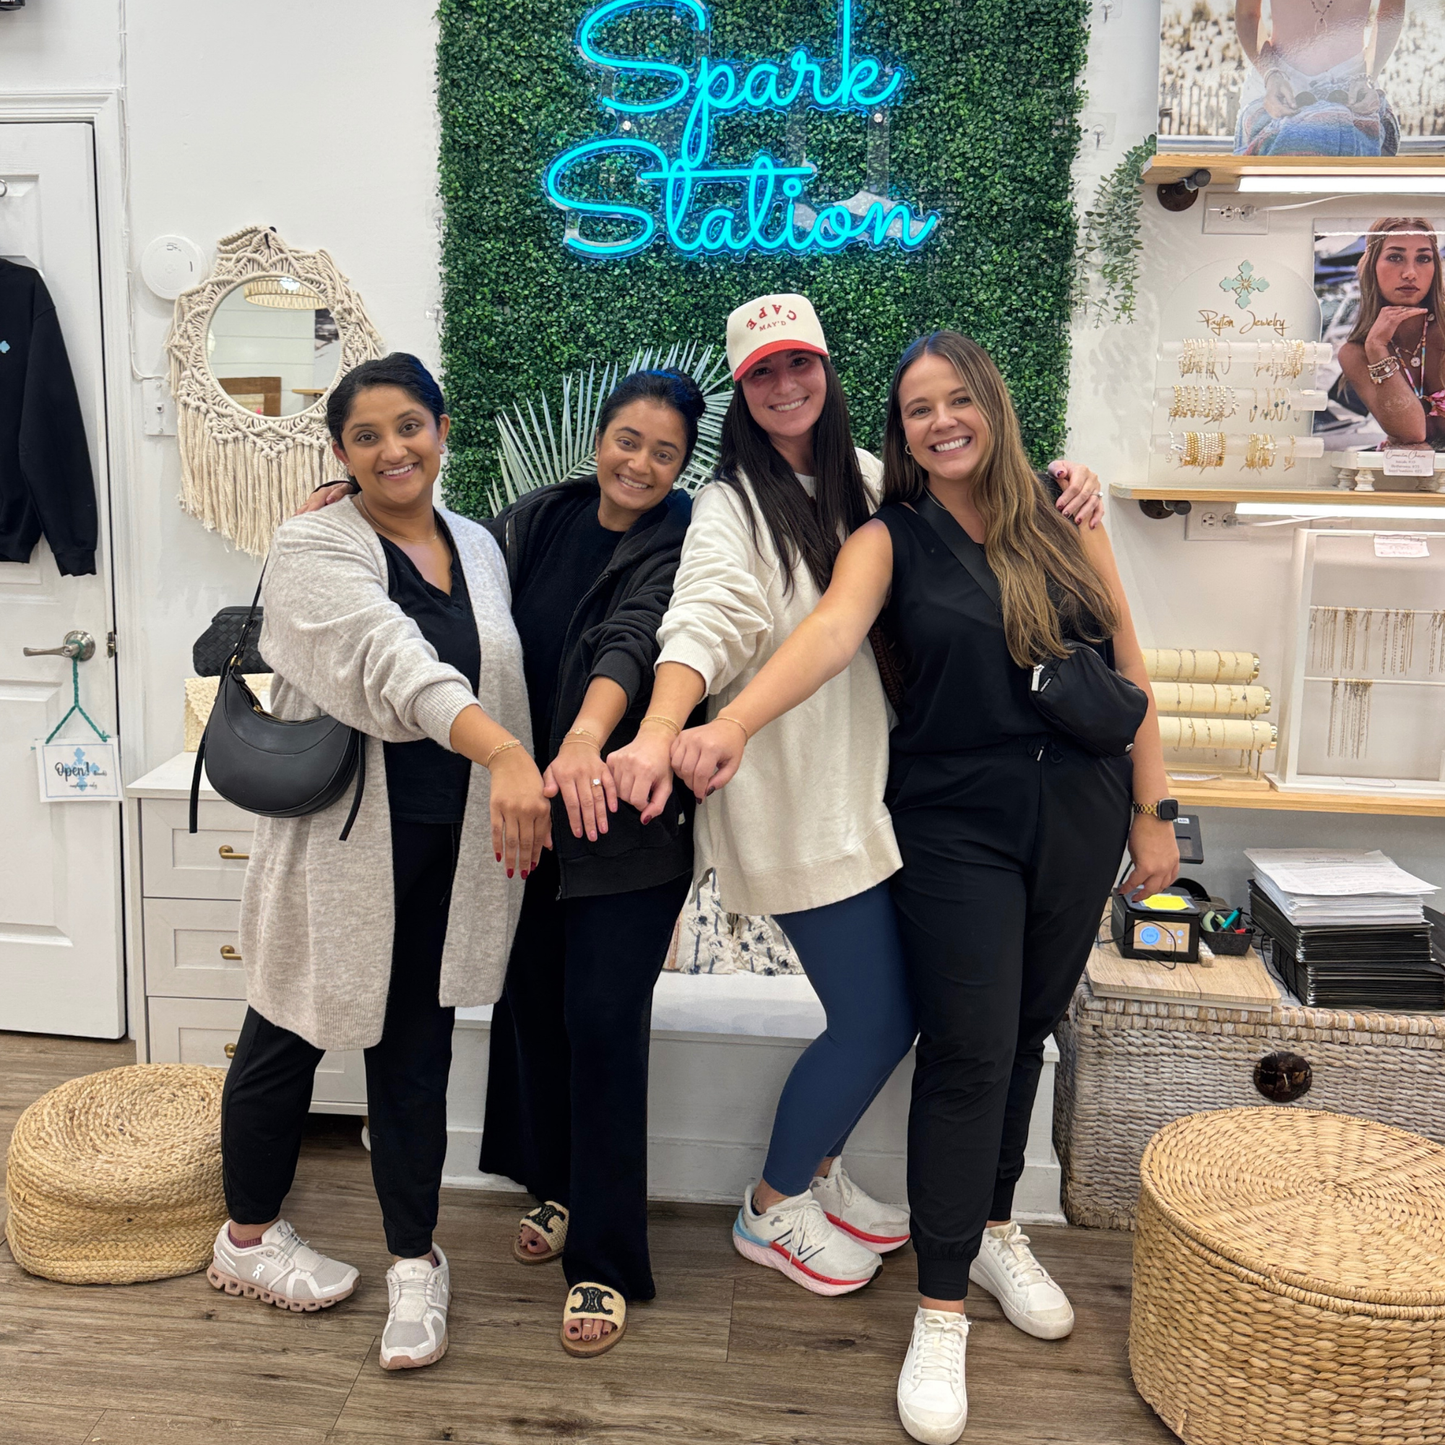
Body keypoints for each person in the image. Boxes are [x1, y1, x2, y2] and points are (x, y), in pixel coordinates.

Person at [669, 330, 1176, 1444]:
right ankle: (938, 1307)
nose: (939, 421)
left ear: (990, 404)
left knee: (1030, 1030)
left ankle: (992, 1226)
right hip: (955, 825)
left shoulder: (1061, 512)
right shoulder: (885, 534)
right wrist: (731, 724)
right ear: (896, 433)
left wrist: (1152, 813)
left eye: (956, 400)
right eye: (916, 410)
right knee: (965, 1047)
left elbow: (1128, 666)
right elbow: (826, 633)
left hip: (1080, 814)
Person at [609, 296, 1105, 1305]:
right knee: (878, 1017)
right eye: (761, 374)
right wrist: (665, 726)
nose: (785, 386)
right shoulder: (730, 508)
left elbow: (978, 489)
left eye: (801, 365)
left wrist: (1067, 476)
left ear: (828, 372)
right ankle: (772, 1197)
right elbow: (700, 619)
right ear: (739, 395)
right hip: (789, 798)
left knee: (905, 1006)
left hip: (878, 799)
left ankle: (819, 1173)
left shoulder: (871, 485)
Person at [210, 353, 546, 1373]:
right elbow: (388, 661)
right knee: (286, 1034)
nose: (393, 448)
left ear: (443, 429)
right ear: (341, 453)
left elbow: (499, 663)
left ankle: (414, 1259)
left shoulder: (478, 545)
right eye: (366, 435)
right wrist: (503, 752)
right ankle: (247, 1241)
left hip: (451, 850)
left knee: (415, 1052)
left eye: (410, 425)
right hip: (342, 852)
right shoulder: (314, 541)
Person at [476, 368, 705, 1358]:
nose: (639, 462)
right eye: (626, 438)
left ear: (683, 462)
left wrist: (582, 739)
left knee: (602, 1022)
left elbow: (634, 638)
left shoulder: (685, 535)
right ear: (600, 437)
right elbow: (454, 571)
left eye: (662, 450)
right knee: (531, 1004)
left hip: (625, 825)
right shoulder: (542, 516)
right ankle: (562, 1186)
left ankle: (605, 1259)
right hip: (528, 806)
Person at [1235, 0, 1402, 155]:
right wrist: (1271, 74)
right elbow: (1247, 14)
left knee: (1353, 183)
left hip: (1353, 87)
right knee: (1264, 182)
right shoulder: (1272, 79)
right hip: (1277, 85)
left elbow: (1392, 10)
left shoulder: (1359, 82)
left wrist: (1367, 77)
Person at [1336, 217, 1445, 449]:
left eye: (1423, 259)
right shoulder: (1356, 353)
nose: (1410, 273)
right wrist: (1377, 347)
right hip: (1404, 478)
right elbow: (1412, 433)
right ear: (1372, 265)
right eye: (1395, 257)